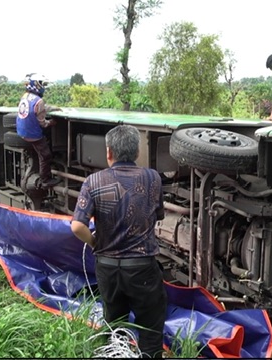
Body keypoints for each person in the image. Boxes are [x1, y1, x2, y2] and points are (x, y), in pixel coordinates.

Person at [70, 125, 167, 358]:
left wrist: (95, 243)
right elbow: (159, 215)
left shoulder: (93, 181)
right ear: (136, 153)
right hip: (142, 266)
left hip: (107, 267)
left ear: (108, 152)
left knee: (114, 325)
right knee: (151, 329)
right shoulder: (152, 178)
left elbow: (77, 226)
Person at [16, 73, 62, 188]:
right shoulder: (39, 101)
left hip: (22, 131)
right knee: (45, 155)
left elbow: (39, 109)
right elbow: (43, 123)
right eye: (42, 84)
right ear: (36, 84)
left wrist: (53, 108)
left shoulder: (25, 96)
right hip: (32, 134)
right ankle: (45, 179)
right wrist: (52, 122)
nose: (43, 87)